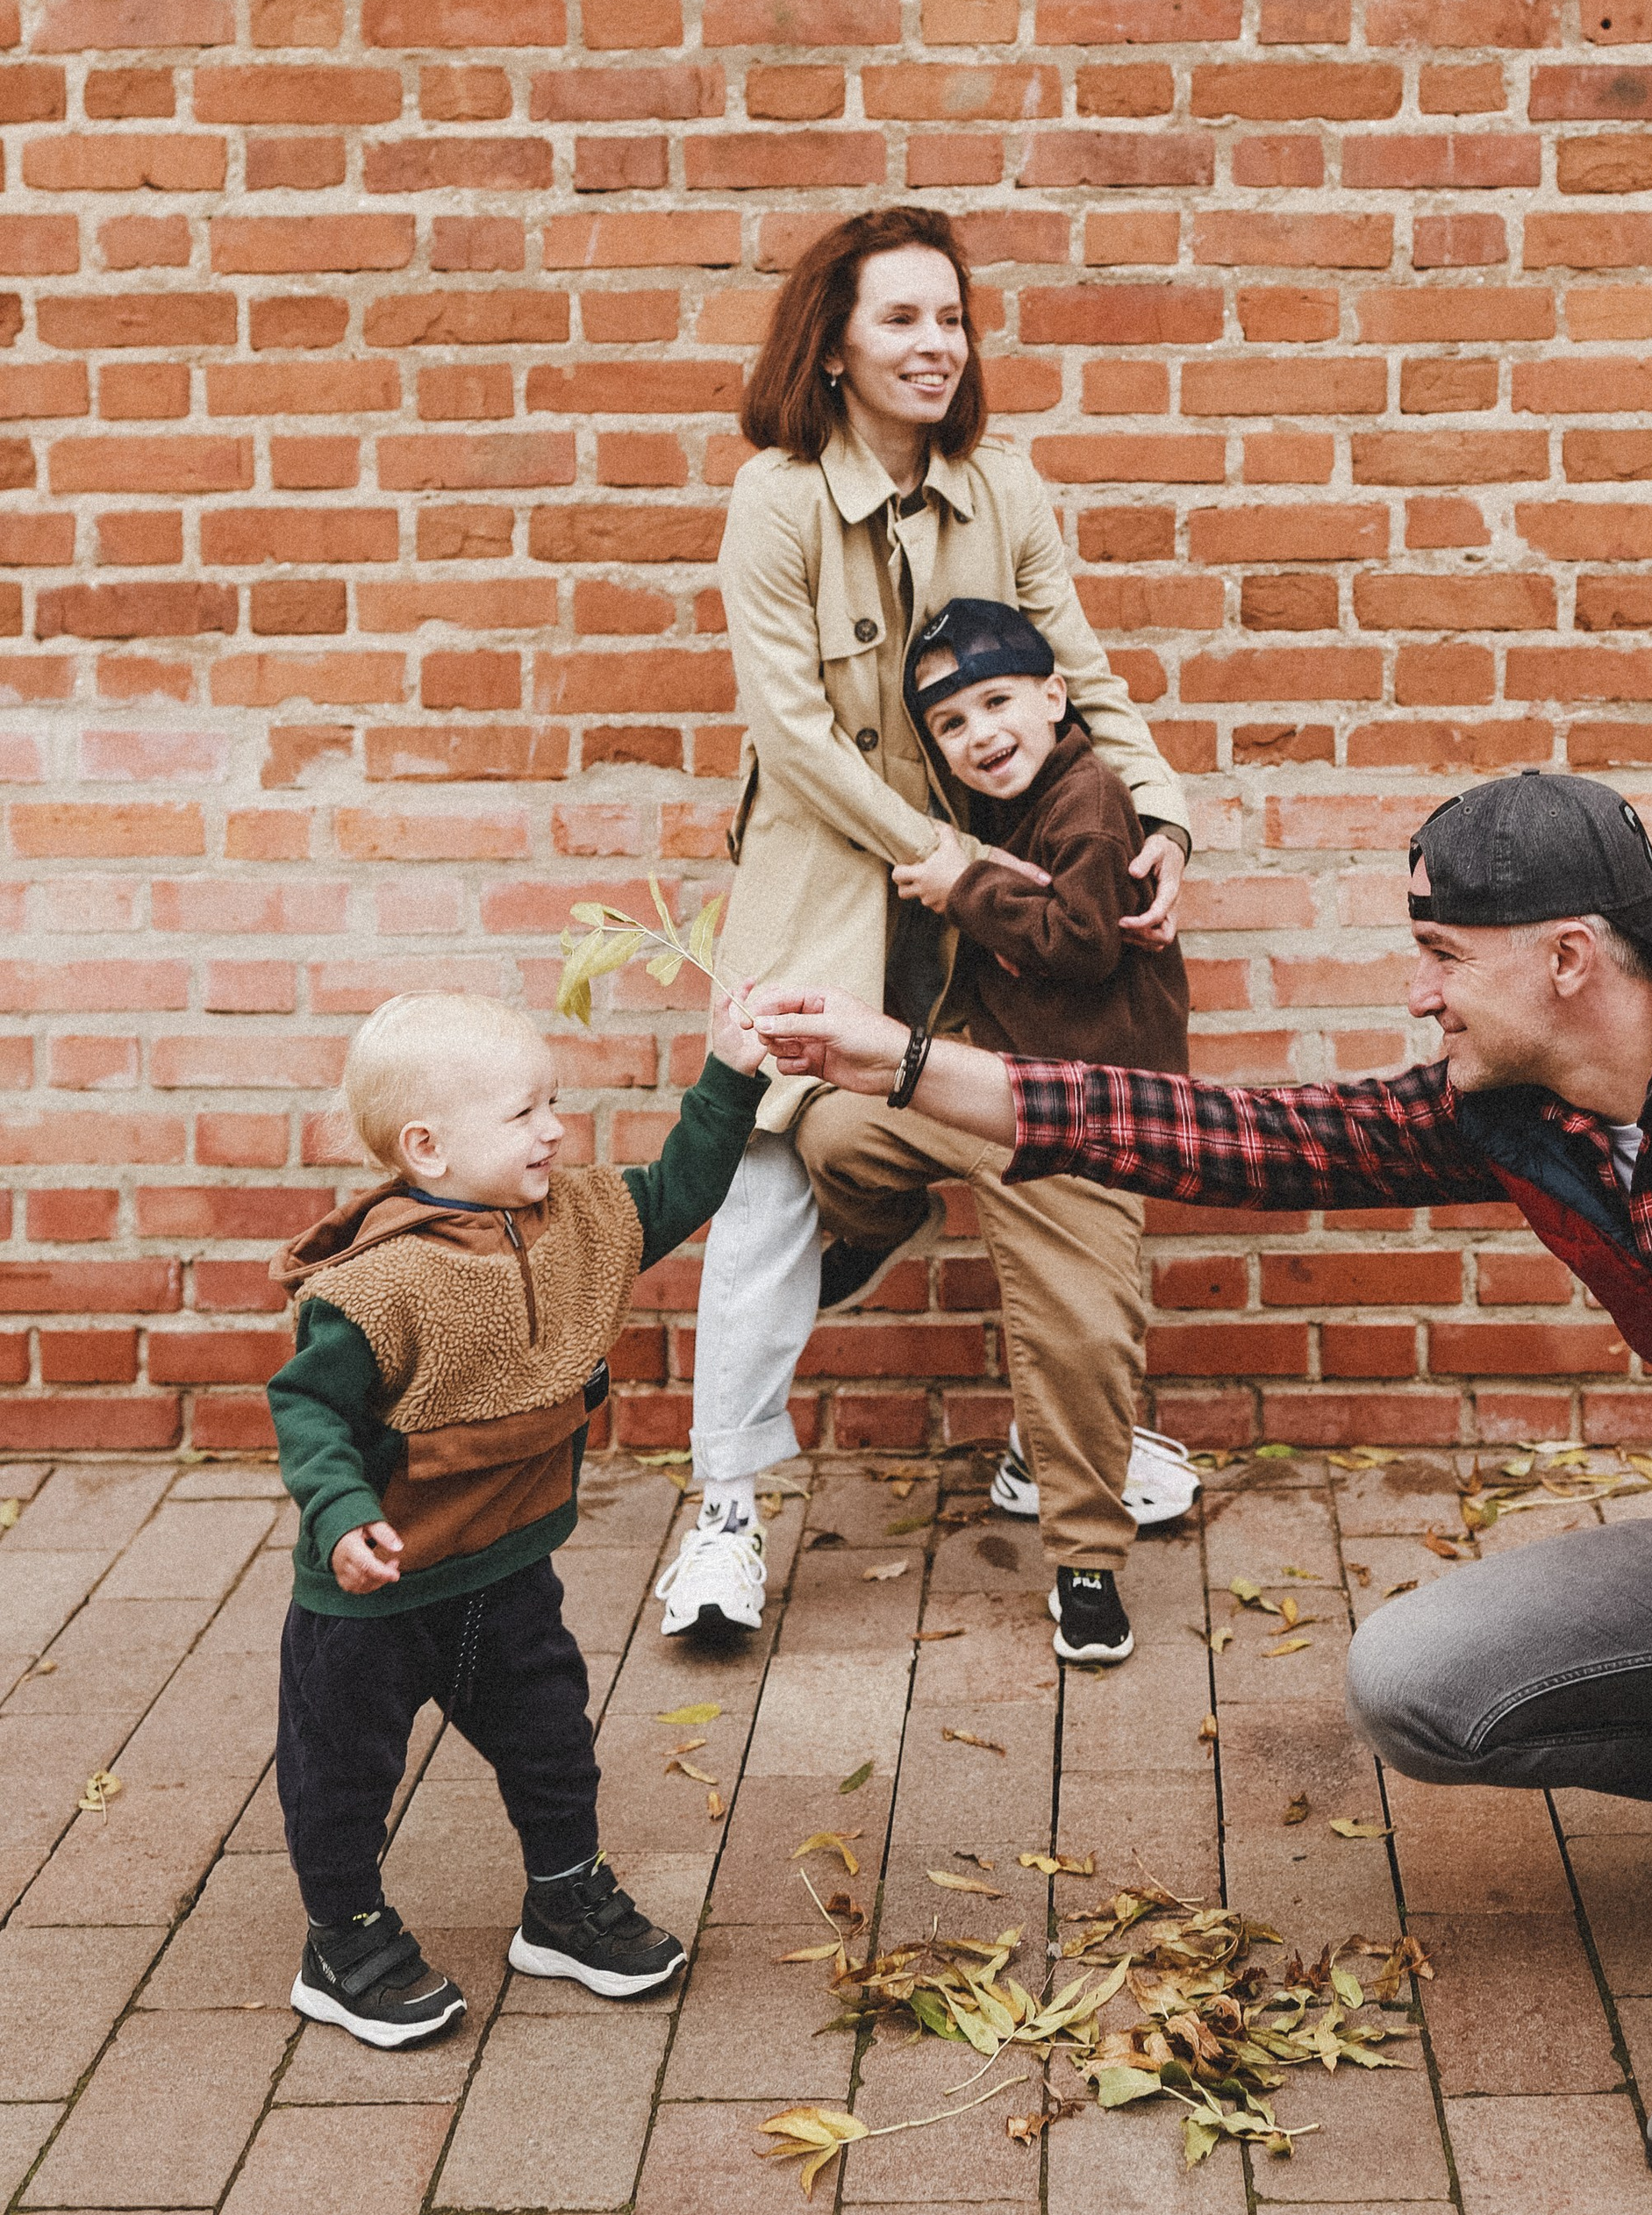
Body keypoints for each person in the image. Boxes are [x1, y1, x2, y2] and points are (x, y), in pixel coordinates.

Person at [750, 768, 1652, 2195]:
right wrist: (903, 1064)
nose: (1419, 989)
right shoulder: (1532, 1119)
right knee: (1422, 1682)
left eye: (1443, 952)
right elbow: (1241, 1137)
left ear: (1572, 957)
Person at [657, 203, 1199, 1648]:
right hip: (830, 879)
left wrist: (1163, 820)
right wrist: (943, 856)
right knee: (779, 1163)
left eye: (950, 316)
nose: (936, 343)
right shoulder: (776, 497)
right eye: (901, 317)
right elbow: (791, 726)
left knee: (1039, 1143)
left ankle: (1056, 1437)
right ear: (831, 345)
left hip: (984, 882)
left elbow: (1078, 659)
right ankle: (722, 1515)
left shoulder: (1002, 484)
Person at [268, 982, 769, 2047]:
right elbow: (307, 1408)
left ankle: (562, 1901)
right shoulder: (379, 1288)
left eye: (554, 1101)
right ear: (428, 1146)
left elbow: (680, 1185)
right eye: (524, 1112)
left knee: (552, 1742)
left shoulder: (577, 1222)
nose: (555, 1128)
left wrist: (729, 1069)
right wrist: (341, 1513)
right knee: (343, 1770)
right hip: (378, 1595)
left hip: (506, 1570)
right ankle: (342, 1935)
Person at [793, 593, 1195, 1665]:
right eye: (955, 723)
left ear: (1055, 697)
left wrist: (965, 883)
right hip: (982, 1084)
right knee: (834, 1134)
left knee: (1080, 1328)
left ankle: (1088, 1565)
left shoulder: (1093, 799)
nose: (983, 733)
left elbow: (1081, 945)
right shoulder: (997, 803)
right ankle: (878, 1224)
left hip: (1086, 1108)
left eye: (999, 701)